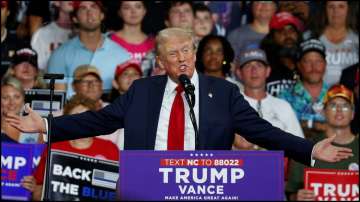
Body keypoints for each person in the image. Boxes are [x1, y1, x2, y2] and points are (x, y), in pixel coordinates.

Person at [5, 28, 354, 168]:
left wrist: (308, 149)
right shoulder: (142, 91)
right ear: (160, 62)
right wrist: (47, 125)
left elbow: (261, 131)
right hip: (148, 184)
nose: (183, 58)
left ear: (196, 51)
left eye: (187, 50)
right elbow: (99, 120)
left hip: (201, 186)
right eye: (174, 54)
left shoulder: (224, 93)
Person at [20, 94, 119, 201]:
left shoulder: (110, 148)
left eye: (86, 116)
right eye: (76, 117)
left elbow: (120, 190)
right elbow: (38, 193)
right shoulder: (54, 147)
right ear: (67, 120)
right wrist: (33, 188)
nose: (82, 122)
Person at [285, 84, 359, 201]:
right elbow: (291, 193)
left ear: (353, 113)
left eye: (345, 106)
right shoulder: (306, 147)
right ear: (324, 112)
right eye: (333, 105)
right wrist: (297, 197)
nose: (339, 110)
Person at [47, 1, 130, 98]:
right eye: (83, 8)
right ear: (75, 18)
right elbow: (57, 101)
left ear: (102, 15)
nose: (89, 12)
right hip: (73, 111)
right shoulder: (59, 55)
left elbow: (126, 97)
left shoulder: (121, 55)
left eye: (93, 7)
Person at [233, 48, 304, 151]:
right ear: (239, 73)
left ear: (268, 71)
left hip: (277, 165)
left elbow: (299, 146)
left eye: (259, 65)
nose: (254, 71)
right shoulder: (231, 105)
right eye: (248, 66)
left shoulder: (283, 106)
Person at [279, 39, 328, 139]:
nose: (314, 67)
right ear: (299, 66)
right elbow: (280, 129)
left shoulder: (336, 95)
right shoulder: (284, 97)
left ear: (325, 64)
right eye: (307, 61)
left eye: (318, 61)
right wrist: (313, 125)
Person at [306, 1, 358, 86]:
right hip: (318, 95)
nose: (335, 11)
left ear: (348, 9)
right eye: (331, 7)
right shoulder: (310, 37)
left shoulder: (357, 39)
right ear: (325, 10)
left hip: (350, 95)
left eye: (341, 6)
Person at [260, 12, 303, 97]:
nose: (288, 35)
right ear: (272, 37)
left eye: (291, 30)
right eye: (281, 31)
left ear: (298, 34)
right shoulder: (264, 64)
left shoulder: (306, 62)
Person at [110, 1, 155, 68]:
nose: (133, 11)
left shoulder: (154, 43)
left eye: (138, 7)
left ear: (144, 11)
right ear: (119, 12)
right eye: (127, 7)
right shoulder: (109, 41)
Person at [30, 1, 74, 71]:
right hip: (52, 80)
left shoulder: (89, 34)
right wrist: (63, 79)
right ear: (56, 2)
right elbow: (40, 75)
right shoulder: (41, 34)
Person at [1, 76, 41, 143]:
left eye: (17, 97)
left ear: (23, 100)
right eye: (5, 98)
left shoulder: (35, 127)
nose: (12, 102)